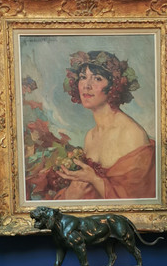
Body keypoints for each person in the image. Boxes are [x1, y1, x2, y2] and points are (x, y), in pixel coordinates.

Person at [54, 50, 156, 200]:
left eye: (97, 78)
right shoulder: (90, 136)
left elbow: (138, 201)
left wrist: (94, 179)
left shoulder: (131, 134)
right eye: (83, 77)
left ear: (114, 85)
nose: (86, 86)